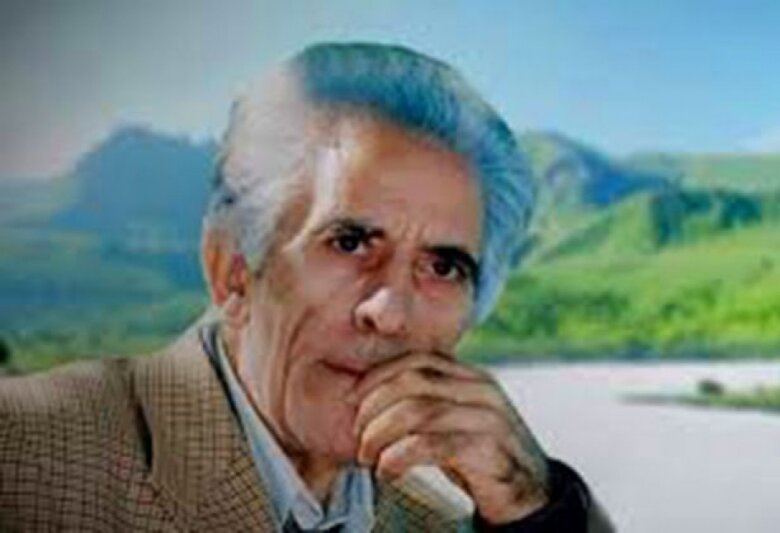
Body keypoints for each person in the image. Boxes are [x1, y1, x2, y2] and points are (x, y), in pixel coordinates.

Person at [0, 43, 612, 532]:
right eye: (351, 242)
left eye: (444, 267)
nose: (390, 312)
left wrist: (537, 515)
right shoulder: (22, 453)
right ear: (232, 268)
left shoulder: (444, 520)